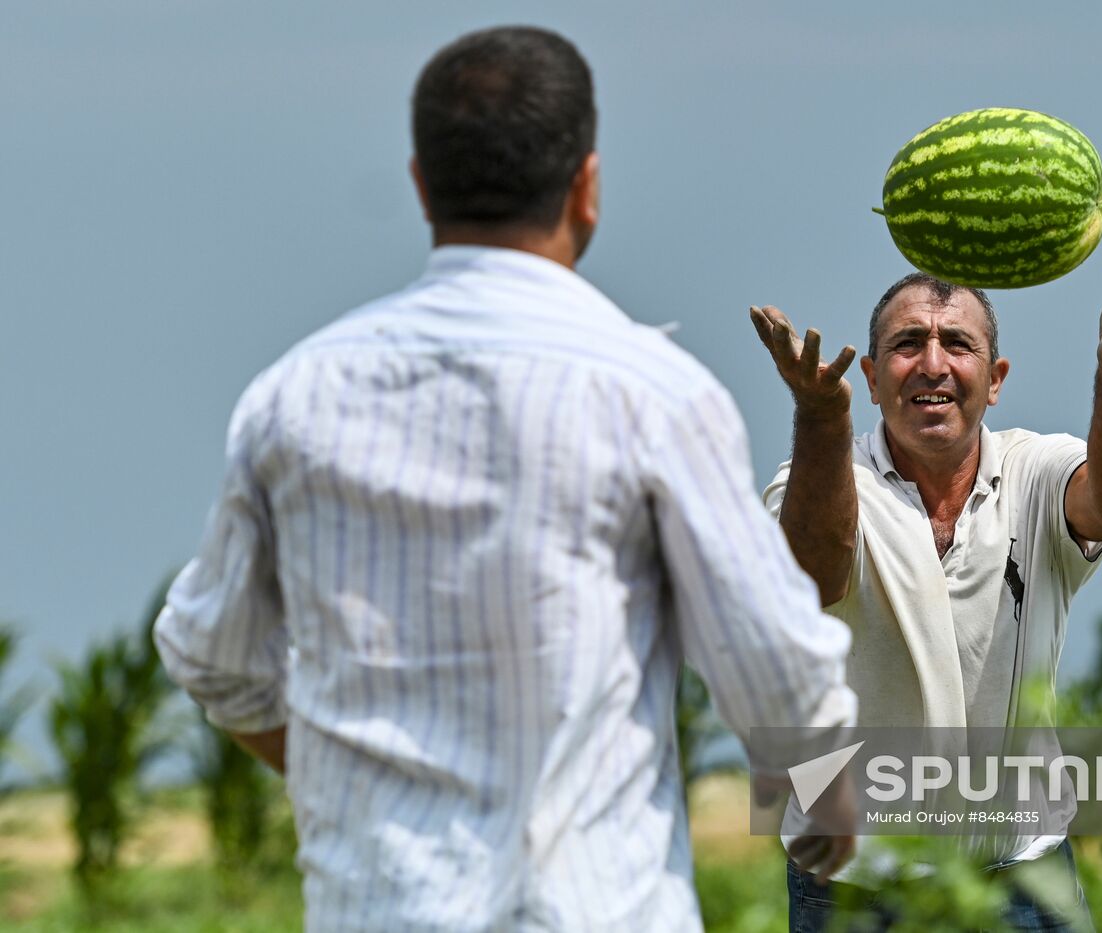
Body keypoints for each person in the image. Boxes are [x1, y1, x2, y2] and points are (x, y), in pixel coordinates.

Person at [155, 26, 858, 932]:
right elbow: (774, 668)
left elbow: (212, 652)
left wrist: (356, 789)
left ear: (419, 184)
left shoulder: (296, 394)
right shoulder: (652, 392)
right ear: (587, 186)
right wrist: (835, 817)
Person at [751, 234, 1102, 931]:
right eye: (908, 342)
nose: (934, 364)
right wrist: (820, 421)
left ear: (996, 377)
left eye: (958, 344)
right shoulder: (815, 482)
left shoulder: (1036, 471)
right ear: (876, 375)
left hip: (1025, 877)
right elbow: (812, 574)